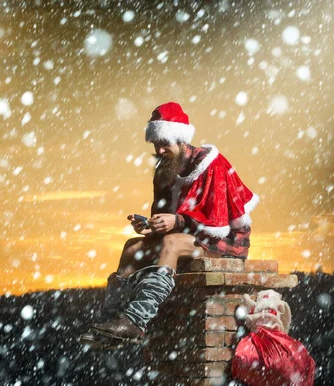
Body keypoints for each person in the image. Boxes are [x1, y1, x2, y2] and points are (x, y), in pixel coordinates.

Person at [81, 101, 259, 346]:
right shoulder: (165, 168)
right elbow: (168, 215)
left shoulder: (211, 165)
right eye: (156, 144)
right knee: (132, 247)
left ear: (181, 140)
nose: (160, 150)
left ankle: (135, 322)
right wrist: (150, 224)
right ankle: (112, 322)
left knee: (172, 243)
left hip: (224, 240)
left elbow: (216, 220)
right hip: (189, 234)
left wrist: (177, 221)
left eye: (165, 143)